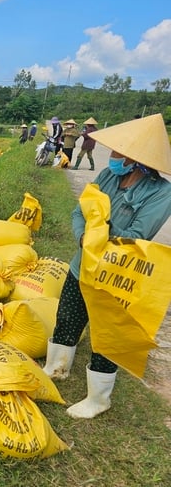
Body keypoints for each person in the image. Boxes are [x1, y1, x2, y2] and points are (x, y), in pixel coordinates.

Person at [42, 113, 171, 419]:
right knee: (68, 317)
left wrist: (100, 231)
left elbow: (137, 235)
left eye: (118, 153)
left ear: (138, 160)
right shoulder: (108, 176)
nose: (112, 157)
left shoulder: (162, 193)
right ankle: (56, 368)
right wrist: (84, 235)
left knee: (106, 335)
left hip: (118, 275)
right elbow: (80, 211)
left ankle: (99, 398)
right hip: (82, 264)